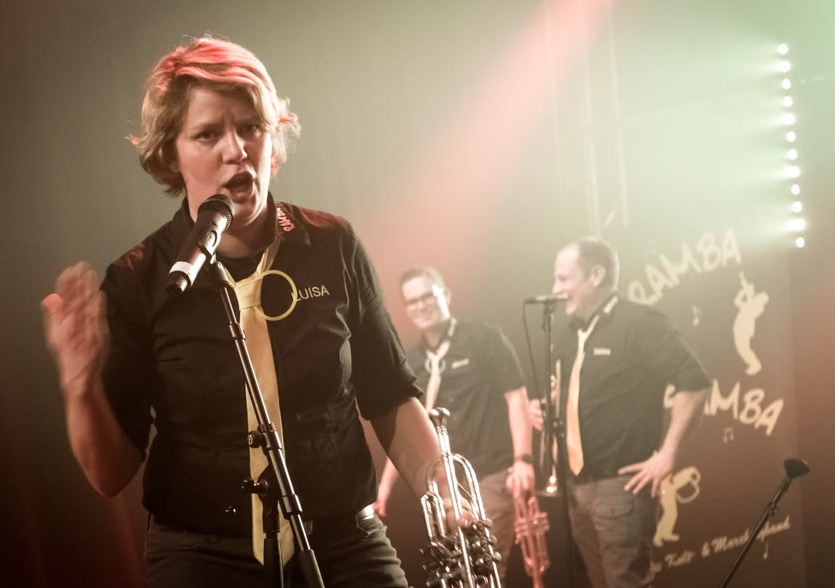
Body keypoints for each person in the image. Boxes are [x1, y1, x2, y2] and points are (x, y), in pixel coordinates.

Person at [41, 37, 448, 588]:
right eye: (207, 134)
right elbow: (109, 475)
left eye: (251, 127)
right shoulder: (140, 279)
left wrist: (444, 494)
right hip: (202, 555)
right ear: (171, 154)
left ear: (272, 137)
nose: (236, 150)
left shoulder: (333, 245)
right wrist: (80, 386)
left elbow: (390, 394)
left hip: (343, 539)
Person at [528, 237, 710, 588]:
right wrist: (545, 408)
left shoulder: (640, 322)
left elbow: (695, 382)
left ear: (596, 276)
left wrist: (668, 454)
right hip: (575, 486)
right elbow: (572, 394)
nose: (555, 289)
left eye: (564, 278)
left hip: (620, 484)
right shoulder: (567, 334)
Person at [375, 266, 534, 584]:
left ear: (445, 295)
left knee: (483, 565)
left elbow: (517, 397)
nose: (421, 305)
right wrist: (385, 487)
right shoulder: (411, 359)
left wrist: (523, 459)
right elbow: (409, 427)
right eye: (412, 301)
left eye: (427, 296)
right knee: (460, 572)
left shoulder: (483, 338)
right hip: (445, 485)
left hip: (491, 472)